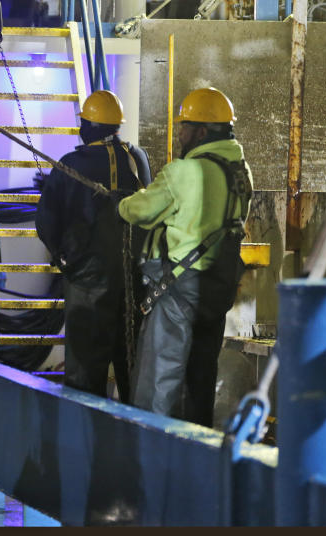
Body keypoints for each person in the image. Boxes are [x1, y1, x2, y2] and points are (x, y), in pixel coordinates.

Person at [118, 87, 253, 427]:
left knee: (159, 380)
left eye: (184, 126)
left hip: (179, 289)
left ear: (202, 131)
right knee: (200, 377)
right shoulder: (240, 172)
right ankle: (197, 449)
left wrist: (120, 201)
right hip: (218, 287)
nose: (179, 133)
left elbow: (141, 211)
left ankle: (153, 454)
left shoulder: (184, 172)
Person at [35, 90, 151, 400]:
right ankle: (132, 439)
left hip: (87, 283)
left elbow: (46, 221)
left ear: (88, 125)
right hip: (132, 282)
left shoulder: (71, 164)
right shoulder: (137, 159)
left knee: (85, 374)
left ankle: (85, 441)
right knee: (132, 367)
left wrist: (64, 259)